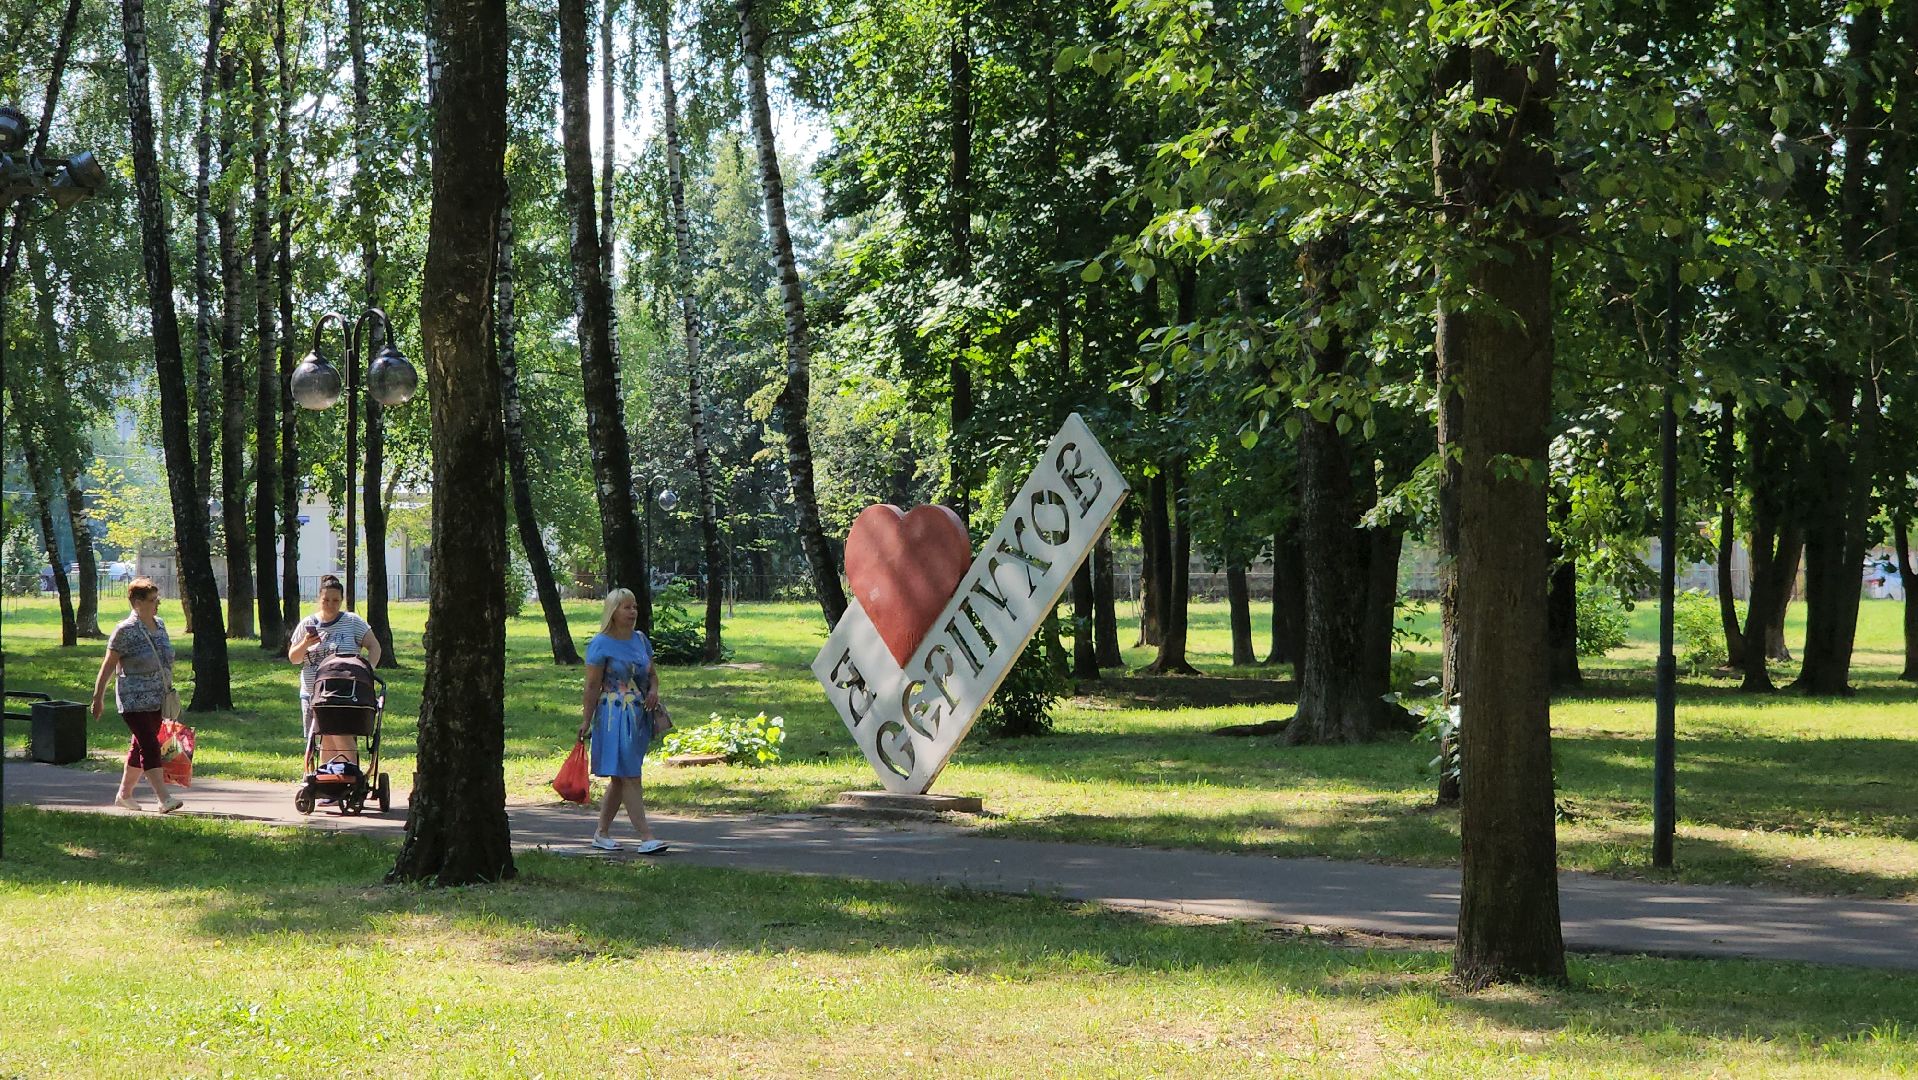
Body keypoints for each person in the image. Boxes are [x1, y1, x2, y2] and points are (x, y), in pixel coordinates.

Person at [577, 588, 668, 854]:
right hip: (612, 716)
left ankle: (601, 832)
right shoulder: (600, 643)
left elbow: (651, 674)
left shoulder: (640, 640)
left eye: (635, 606)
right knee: (630, 775)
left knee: (620, 777)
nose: (632, 612)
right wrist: (586, 720)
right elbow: (592, 686)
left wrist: (653, 691)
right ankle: (646, 836)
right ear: (613, 612)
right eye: (626, 607)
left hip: (638, 716)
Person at [91, 577, 183, 813]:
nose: (157, 604)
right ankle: (164, 798)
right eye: (152, 600)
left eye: (157, 599)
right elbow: (108, 665)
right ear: (136, 602)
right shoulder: (125, 630)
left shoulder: (160, 624)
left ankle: (124, 795)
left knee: (140, 745)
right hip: (133, 699)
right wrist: (98, 697)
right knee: (150, 745)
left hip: (158, 699)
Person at [288, 574, 382, 772]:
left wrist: (367, 671)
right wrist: (305, 643)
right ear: (319, 599)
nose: (330, 604)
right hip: (314, 692)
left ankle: (347, 778)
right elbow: (294, 658)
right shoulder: (308, 624)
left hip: (345, 691)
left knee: (340, 733)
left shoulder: (352, 621)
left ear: (342, 601)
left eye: (336, 600)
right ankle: (325, 780)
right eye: (326, 600)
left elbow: (374, 647)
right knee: (322, 736)